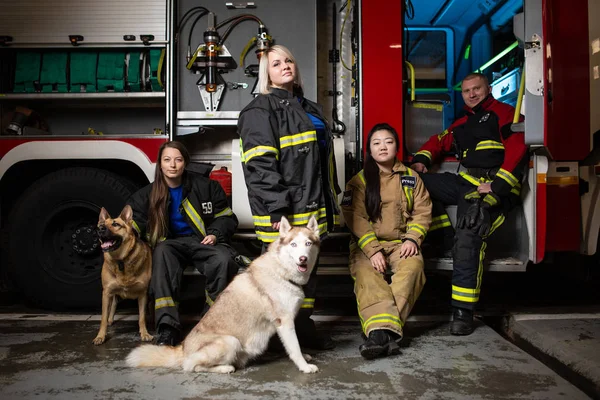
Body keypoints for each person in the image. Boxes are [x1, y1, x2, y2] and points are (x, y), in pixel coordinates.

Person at [237, 45, 341, 350]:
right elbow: (260, 166)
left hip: (312, 206)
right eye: (276, 63)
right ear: (265, 74)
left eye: (289, 60)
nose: (285, 66)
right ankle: (270, 335)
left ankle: (302, 327)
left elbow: (318, 163)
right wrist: (277, 208)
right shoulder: (259, 111)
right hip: (285, 212)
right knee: (279, 280)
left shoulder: (308, 107)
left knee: (307, 274)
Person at [411, 72, 527, 336]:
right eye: (466, 91)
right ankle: (444, 236)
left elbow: (519, 147)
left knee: (468, 234)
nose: (472, 94)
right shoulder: (462, 122)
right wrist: (421, 160)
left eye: (477, 89)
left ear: (488, 89)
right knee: (415, 182)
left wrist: (497, 186)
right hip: (465, 184)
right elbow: (438, 141)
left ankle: (462, 312)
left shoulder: (506, 114)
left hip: (491, 190)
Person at [128, 141, 240, 346]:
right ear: (160, 164)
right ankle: (168, 328)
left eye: (178, 160)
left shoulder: (207, 187)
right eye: (167, 160)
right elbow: (132, 223)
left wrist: (215, 234)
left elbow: (227, 218)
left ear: (185, 163)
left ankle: (211, 324)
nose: (173, 165)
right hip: (170, 245)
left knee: (223, 260)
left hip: (203, 241)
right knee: (161, 253)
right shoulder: (148, 195)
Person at [341, 123, 431, 359]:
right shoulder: (358, 181)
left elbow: (422, 212)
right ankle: (384, 334)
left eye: (388, 142)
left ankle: (378, 335)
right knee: (368, 276)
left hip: (402, 243)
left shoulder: (411, 178)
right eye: (376, 143)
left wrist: (413, 239)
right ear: (369, 150)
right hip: (367, 246)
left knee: (413, 269)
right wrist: (373, 251)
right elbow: (355, 217)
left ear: (397, 147)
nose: (383, 147)